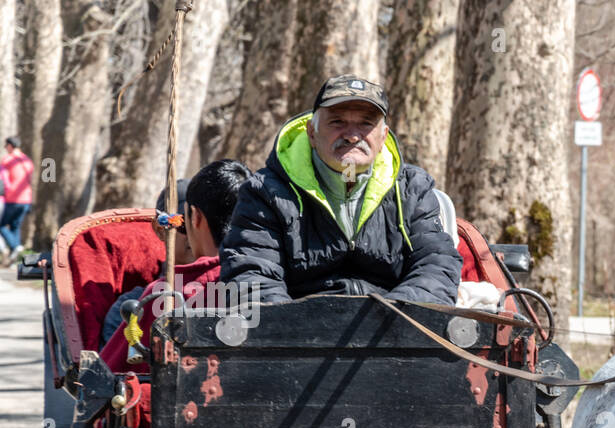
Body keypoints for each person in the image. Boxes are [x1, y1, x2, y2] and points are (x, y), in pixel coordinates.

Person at [220, 75, 461, 304]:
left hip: (393, 331)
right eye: (337, 122)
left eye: (366, 124)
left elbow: (436, 266)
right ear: (312, 133)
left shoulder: (412, 188)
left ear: (383, 137)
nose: (353, 136)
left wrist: (387, 323)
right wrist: (299, 333)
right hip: (298, 336)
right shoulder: (265, 191)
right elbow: (251, 276)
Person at [102, 160, 251, 372]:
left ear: (196, 218)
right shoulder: (277, 285)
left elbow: (104, 385)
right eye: (175, 224)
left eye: (184, 222)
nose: (187, 238)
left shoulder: (161, 297)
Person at [100, 178, 195, 346]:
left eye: (202, 224)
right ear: (160, 230)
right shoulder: (132, 308)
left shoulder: (227, 292)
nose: (196, 234)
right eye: (183, 225)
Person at [1, 136, 35, 263]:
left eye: (6, 146)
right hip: (26, 199)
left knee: (2, 225)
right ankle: (15, 256)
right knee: (15, 226)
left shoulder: (7, 160)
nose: (5, 148)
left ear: (10, 145)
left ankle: (16, 246)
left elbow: (3, 178)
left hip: (13, 198)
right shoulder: (27, 160)